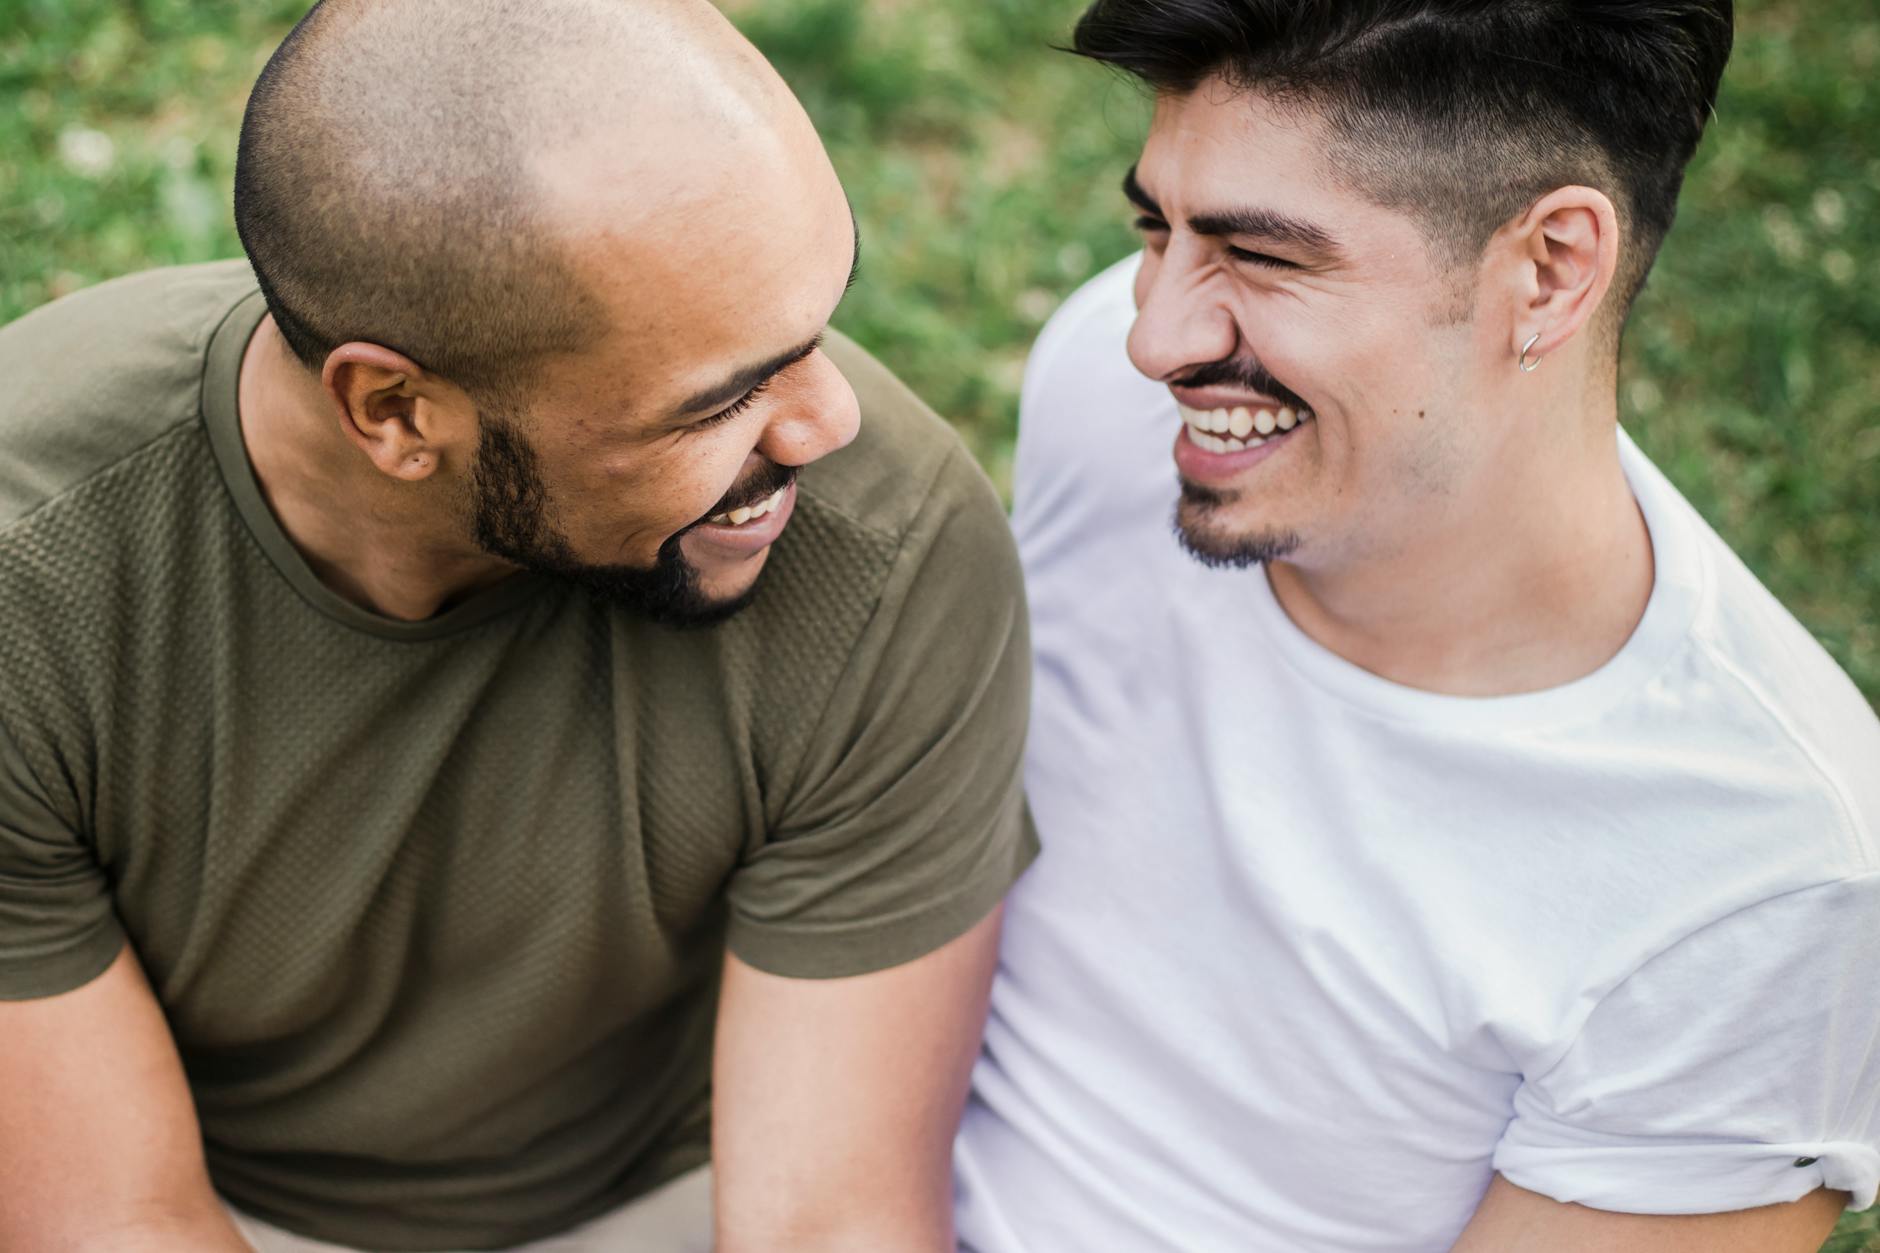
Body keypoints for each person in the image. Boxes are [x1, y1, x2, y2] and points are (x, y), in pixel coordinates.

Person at [0, 1, 1034, 1250]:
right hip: (204, 1191)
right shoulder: (33, 577)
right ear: (394, 410)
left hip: (683, 1180)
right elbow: (108, 1214)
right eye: (720, 399)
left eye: (814, 329)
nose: (829, 423)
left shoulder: (888, 547)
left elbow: (825, 1220)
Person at [954, 2, 1880, 1250]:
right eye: (1154, 230)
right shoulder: (1116, 408)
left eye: (1261, 256)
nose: (1150, 336)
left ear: (1548, 270)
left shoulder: (1763, 883)